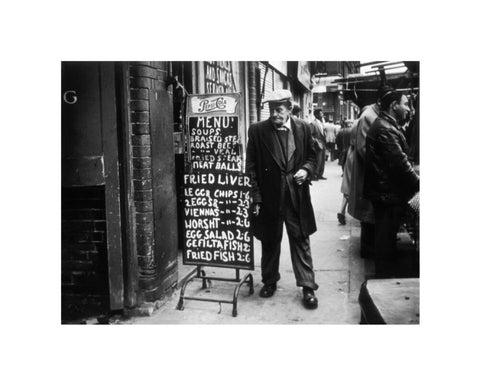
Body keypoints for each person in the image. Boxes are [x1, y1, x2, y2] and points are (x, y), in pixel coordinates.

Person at [246, 89, 319, 309]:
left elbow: (313, 156)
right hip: (269, 198)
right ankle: (269, 281)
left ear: (289, 109)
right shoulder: (258, 131)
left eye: (279, 110)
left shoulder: (303, 128)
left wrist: (306, 169)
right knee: (270, 240)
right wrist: (256, 197)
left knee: (301, 240)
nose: (274, 114)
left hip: (296, 198)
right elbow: (250, 168)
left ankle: (307, 286)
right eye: (271, 110)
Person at [364, 89, 419, 277]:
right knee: (385, 240)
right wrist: (419, 183)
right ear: (394, 106)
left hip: (385, 193)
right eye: (405, 104)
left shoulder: (386, 124)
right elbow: (400, 164)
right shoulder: (385, 128)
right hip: (387, 195)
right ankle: (383, 279)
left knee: (385, 239)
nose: (408, 109)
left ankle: (384, 274)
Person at [348, 87, 390, 258]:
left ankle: (369, 248)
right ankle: (367, 250)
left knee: (371, 214)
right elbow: (365, 149)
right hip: (368, 174)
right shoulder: (368, 117)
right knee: (368, 214)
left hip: (372, 173)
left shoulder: (374, 115)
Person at [337, 120, 354, 225]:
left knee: (347, 184)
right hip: (354, 155)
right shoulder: (353, 131)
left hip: (346, 153)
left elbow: (337, 141)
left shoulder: (341, 131)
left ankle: (342, 210)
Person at [310, 109, 327, 180]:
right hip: (317, 144)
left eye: (322, 113)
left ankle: (320, 174)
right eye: (320, 114)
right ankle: (315, 175)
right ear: (316, 115)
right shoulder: (313, 123)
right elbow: (310, 135)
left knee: (322, 159)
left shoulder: (322, 123)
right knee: (318, 159)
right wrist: (315, 141)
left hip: (323, 143)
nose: (322, 115)